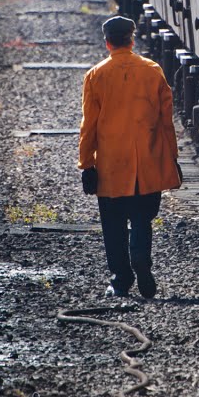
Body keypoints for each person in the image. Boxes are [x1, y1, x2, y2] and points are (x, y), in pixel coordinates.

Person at [78, 15, 182, 298]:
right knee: (141, 217)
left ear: (108, 42)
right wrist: (171, 159)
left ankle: (121, 278)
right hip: (146, 164)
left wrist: (87, 165)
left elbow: (89, 126)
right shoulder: (152, 70)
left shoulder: (96, 75)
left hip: (112, 166)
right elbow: (165, 121)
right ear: (132, 40)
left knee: (112, 225)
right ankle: (141, 259)